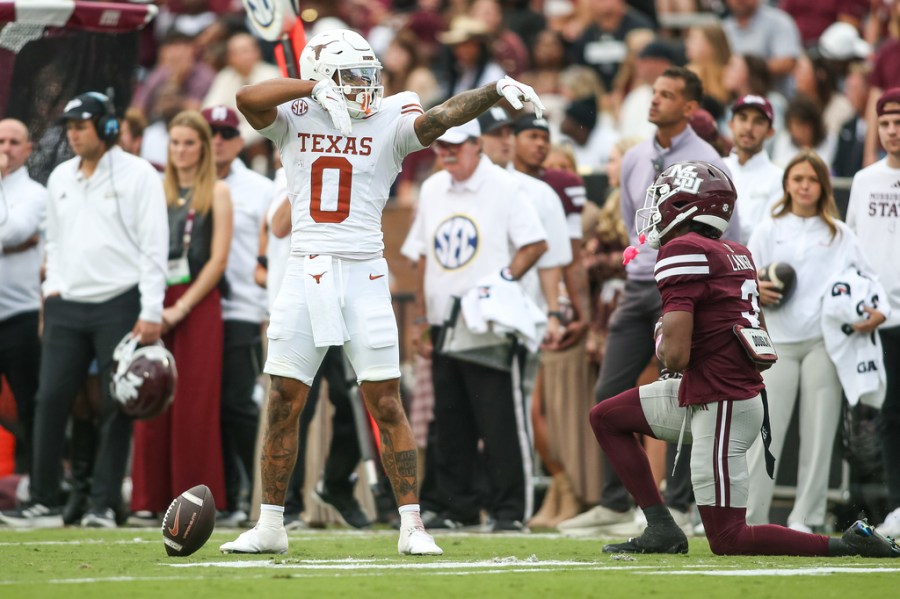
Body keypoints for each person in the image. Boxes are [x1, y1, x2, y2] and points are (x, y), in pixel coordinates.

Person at [219, 28, 545, 556]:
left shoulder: (391, 117)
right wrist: (308, 88)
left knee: (386, 401)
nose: (364, 87)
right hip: (305, 270)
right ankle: (271, 524)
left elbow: (440, 118)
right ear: (324, 77)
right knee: (283, 400)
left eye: (369, 75)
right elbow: (246, 99)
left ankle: (412, 523)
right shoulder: (297, 114)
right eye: (351, 77)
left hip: (366, 270)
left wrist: (490, 92)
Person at [588, 158, 900, 559]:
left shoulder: (683, 249)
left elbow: (677, 356)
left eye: (664, 197)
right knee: (607, 417)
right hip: (716, 392)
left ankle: (849, 543)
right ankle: (661, 527)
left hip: (720, 403)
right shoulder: (735, 251)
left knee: (729, 538)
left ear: (686, 205)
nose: (656, 207)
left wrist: (663, 334)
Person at [558, 67, 739, 538]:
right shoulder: (637, 156)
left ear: (690, 107)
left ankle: (679, 504)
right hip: (641, 282)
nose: (655, 101)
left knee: (686, 394)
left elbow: (726, 231)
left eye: (667, 95)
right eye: (654, 92)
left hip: (687, 287)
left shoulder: (709, 159)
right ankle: (618, 503)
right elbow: (632, 223)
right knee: (607, 392)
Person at [0, 92, 168, 528]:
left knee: (117, 404)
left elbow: (155, 246)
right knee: (50, 398)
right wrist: (52, 289)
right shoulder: (59, 177)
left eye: (81, 125)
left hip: (121, 300)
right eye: (69, 126)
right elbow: (53, 240)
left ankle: (104, 503)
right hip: (67, 303)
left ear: (108, 128)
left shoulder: (139, 175)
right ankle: (43, 499)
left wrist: (151, 308)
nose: (73, 134)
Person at [404, 118, 548, 532]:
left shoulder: (505, 186)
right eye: (440, 147)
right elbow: (424, 255)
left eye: (456, 145)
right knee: (449, 421)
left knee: (500, 418)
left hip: (490, 321)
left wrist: (502, 283)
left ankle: (509, 510)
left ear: (477, 144)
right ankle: (456, 506)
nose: (446, 153)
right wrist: (420, 317)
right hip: (445, 320)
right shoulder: (433, 188)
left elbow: (535, 243)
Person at [744, 150, 886, 533]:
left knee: (820, 433)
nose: (804, 186)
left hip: (825, 343)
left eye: (812, 179)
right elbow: (743, 281)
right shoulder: (768, 228)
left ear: (822, 185)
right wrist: (757, 286)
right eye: (797, 179)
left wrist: (876, 311)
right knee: (766, 432)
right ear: (787, 185)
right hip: (777, 344)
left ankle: (805, 518)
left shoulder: (839, 234)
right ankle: (752, 518)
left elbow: (868, 281)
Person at [129, 110, 233, 522]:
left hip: (197, 302)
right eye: (175, 143)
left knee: (195, 403)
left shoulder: (218, 191)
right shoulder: (156, 189)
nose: (181, 151)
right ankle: (147, 499)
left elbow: (218, 260)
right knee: (151, 398)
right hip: (156, 299)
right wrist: (154, 307)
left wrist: (182, 307)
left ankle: (195, 501)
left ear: (204, 148)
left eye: (190, 143)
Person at [201, 105, 273, 526]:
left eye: (226, 133)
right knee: (206, 406)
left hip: (241, 307)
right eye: (211, 132)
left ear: (240, 140)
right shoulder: (189, 182)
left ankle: (248, 488)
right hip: (196, 308)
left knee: (237, 403)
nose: (218, 141)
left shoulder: (260, 189)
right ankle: (223, 494)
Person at [846, 88, 900, 538]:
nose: (892, 131)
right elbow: (854, 248)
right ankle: (895, 505)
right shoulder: (865, 180)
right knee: (886, 415)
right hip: (876, 318)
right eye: (885, 123)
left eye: (898, 122)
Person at [0, 118, 46, 475]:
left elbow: (13, 229)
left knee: (29, 404)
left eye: (14, 142)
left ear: (28, 149)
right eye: (0, 140)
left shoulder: (34, 194)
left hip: (21, 315)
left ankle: (32, 483)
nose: (6, 148)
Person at [723, 94, 782, 244]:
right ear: (731, 124)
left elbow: (768, 237)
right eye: (743, 118)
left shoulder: (779, 178)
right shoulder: (716, 167)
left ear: (770, 132)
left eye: (758, 122)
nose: (749, 127)